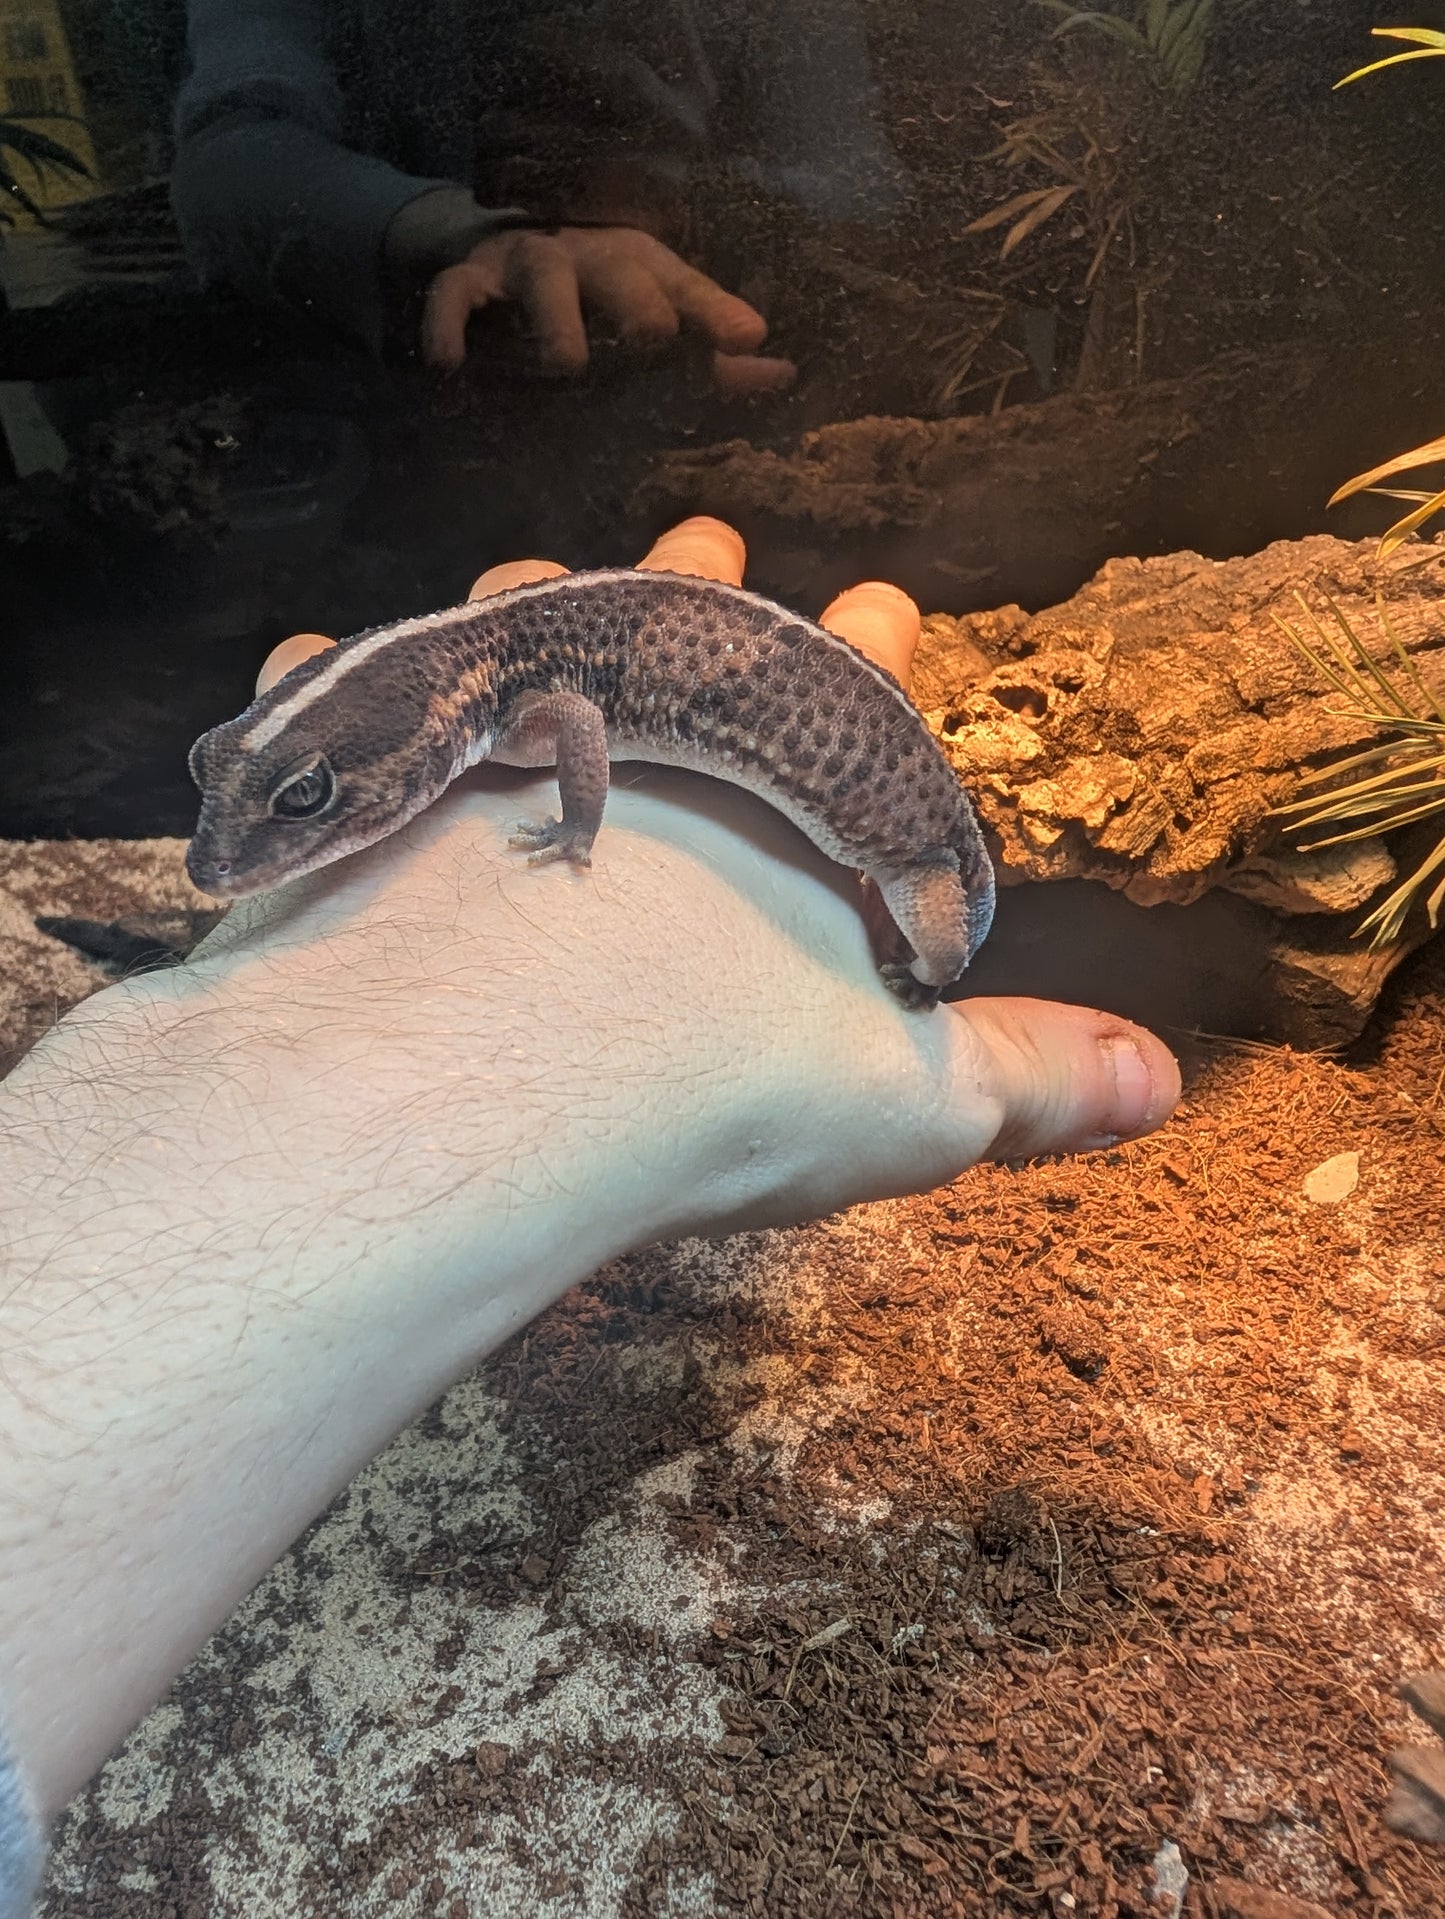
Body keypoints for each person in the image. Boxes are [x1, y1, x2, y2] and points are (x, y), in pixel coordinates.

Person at [0, 517, 1179, 1913]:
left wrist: (581, 834)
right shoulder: (464, 693)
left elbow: (570, 717)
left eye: (308, 799)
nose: (237, 847)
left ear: (435, 733)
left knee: (937, 921)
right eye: (246, 780)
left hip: (880, 800)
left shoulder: (518, 707)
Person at [170, 0, 906, 391]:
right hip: (410, 444)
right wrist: (459, 232)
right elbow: (232, 153)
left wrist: (681, 212)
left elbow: (859, 186)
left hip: (725, 420)